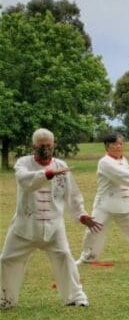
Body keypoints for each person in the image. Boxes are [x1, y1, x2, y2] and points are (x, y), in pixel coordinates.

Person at [1, 128, 102, 309]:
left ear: (54, 145)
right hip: (25, 227)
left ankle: (75, 297)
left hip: (54, 226)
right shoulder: (23, 163)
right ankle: (4, 299)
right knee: (6, 259)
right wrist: (47, 174)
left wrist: (81, 214)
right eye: (41, 146)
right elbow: (25, 181)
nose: (46, 149)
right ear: (33, 146)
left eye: (49, 145)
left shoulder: (61, 165)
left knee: (64, 256)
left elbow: (71, 195)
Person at [78, 133, 129, 264]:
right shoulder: (104, 162)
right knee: (93, 231)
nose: (119, 146)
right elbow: (123, 176)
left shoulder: (123, 160)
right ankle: (87, 257)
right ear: (107, 146)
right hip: (105, 204)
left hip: (124, 203)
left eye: (121, 144)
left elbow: (127, 177)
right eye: (115, 144)